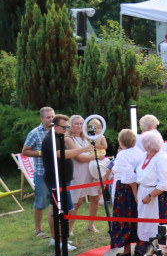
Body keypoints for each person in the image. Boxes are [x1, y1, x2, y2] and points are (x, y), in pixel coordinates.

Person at [40, 114, 94, 248]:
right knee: (61, 210)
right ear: (55, 126)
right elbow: (62, 154)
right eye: (64, 126)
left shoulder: (58, 137)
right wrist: (83, 149)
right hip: (56, 180)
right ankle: (60, 242)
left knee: (59, 208)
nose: (66, 129)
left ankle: (56, 239)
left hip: (62, 179)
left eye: (67, 126)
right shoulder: (51, 139)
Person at [68, 114, 108, 234]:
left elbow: (97, 149)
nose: (79, 126)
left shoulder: (87, 138)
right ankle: (69, 228)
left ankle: (91, 224)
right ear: (71, 125)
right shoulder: (69, 139)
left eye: (81, 124)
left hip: (92, 172)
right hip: (79, 173)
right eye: (77, 123)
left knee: (95, 198)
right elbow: (79, 158)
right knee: (77, 202)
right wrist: (96, 156)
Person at [136, 130, 167, 252]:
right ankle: (145, 248)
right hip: (144, 191)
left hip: (157, 197)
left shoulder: (161, 158)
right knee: (144, 222)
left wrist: (150, 195)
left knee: (157, 225)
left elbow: (164, 183)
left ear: (149, 145)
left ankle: (160, 251)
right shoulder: (145, 155)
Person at [21, 106, 55, 238]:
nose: (51, 119)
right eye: (48, 117)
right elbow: (25, 151)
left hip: (57, 173)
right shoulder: (35, 133)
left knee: (57, 201)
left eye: (53, 116)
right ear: (41, 118)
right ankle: (38, 230)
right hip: (41, 172)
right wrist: (41, 153)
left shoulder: (57, 131)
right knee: (40, 201)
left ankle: (57, 229)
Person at [110, 129, 142, 256]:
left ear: (121, 141)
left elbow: (130, 177)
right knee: (136, 216)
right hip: (133, 187)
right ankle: (139, 246)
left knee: (124, 218)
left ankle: (126, 250)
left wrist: (135, 194)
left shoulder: (123, 155)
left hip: (124, 189)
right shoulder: (139, 152)